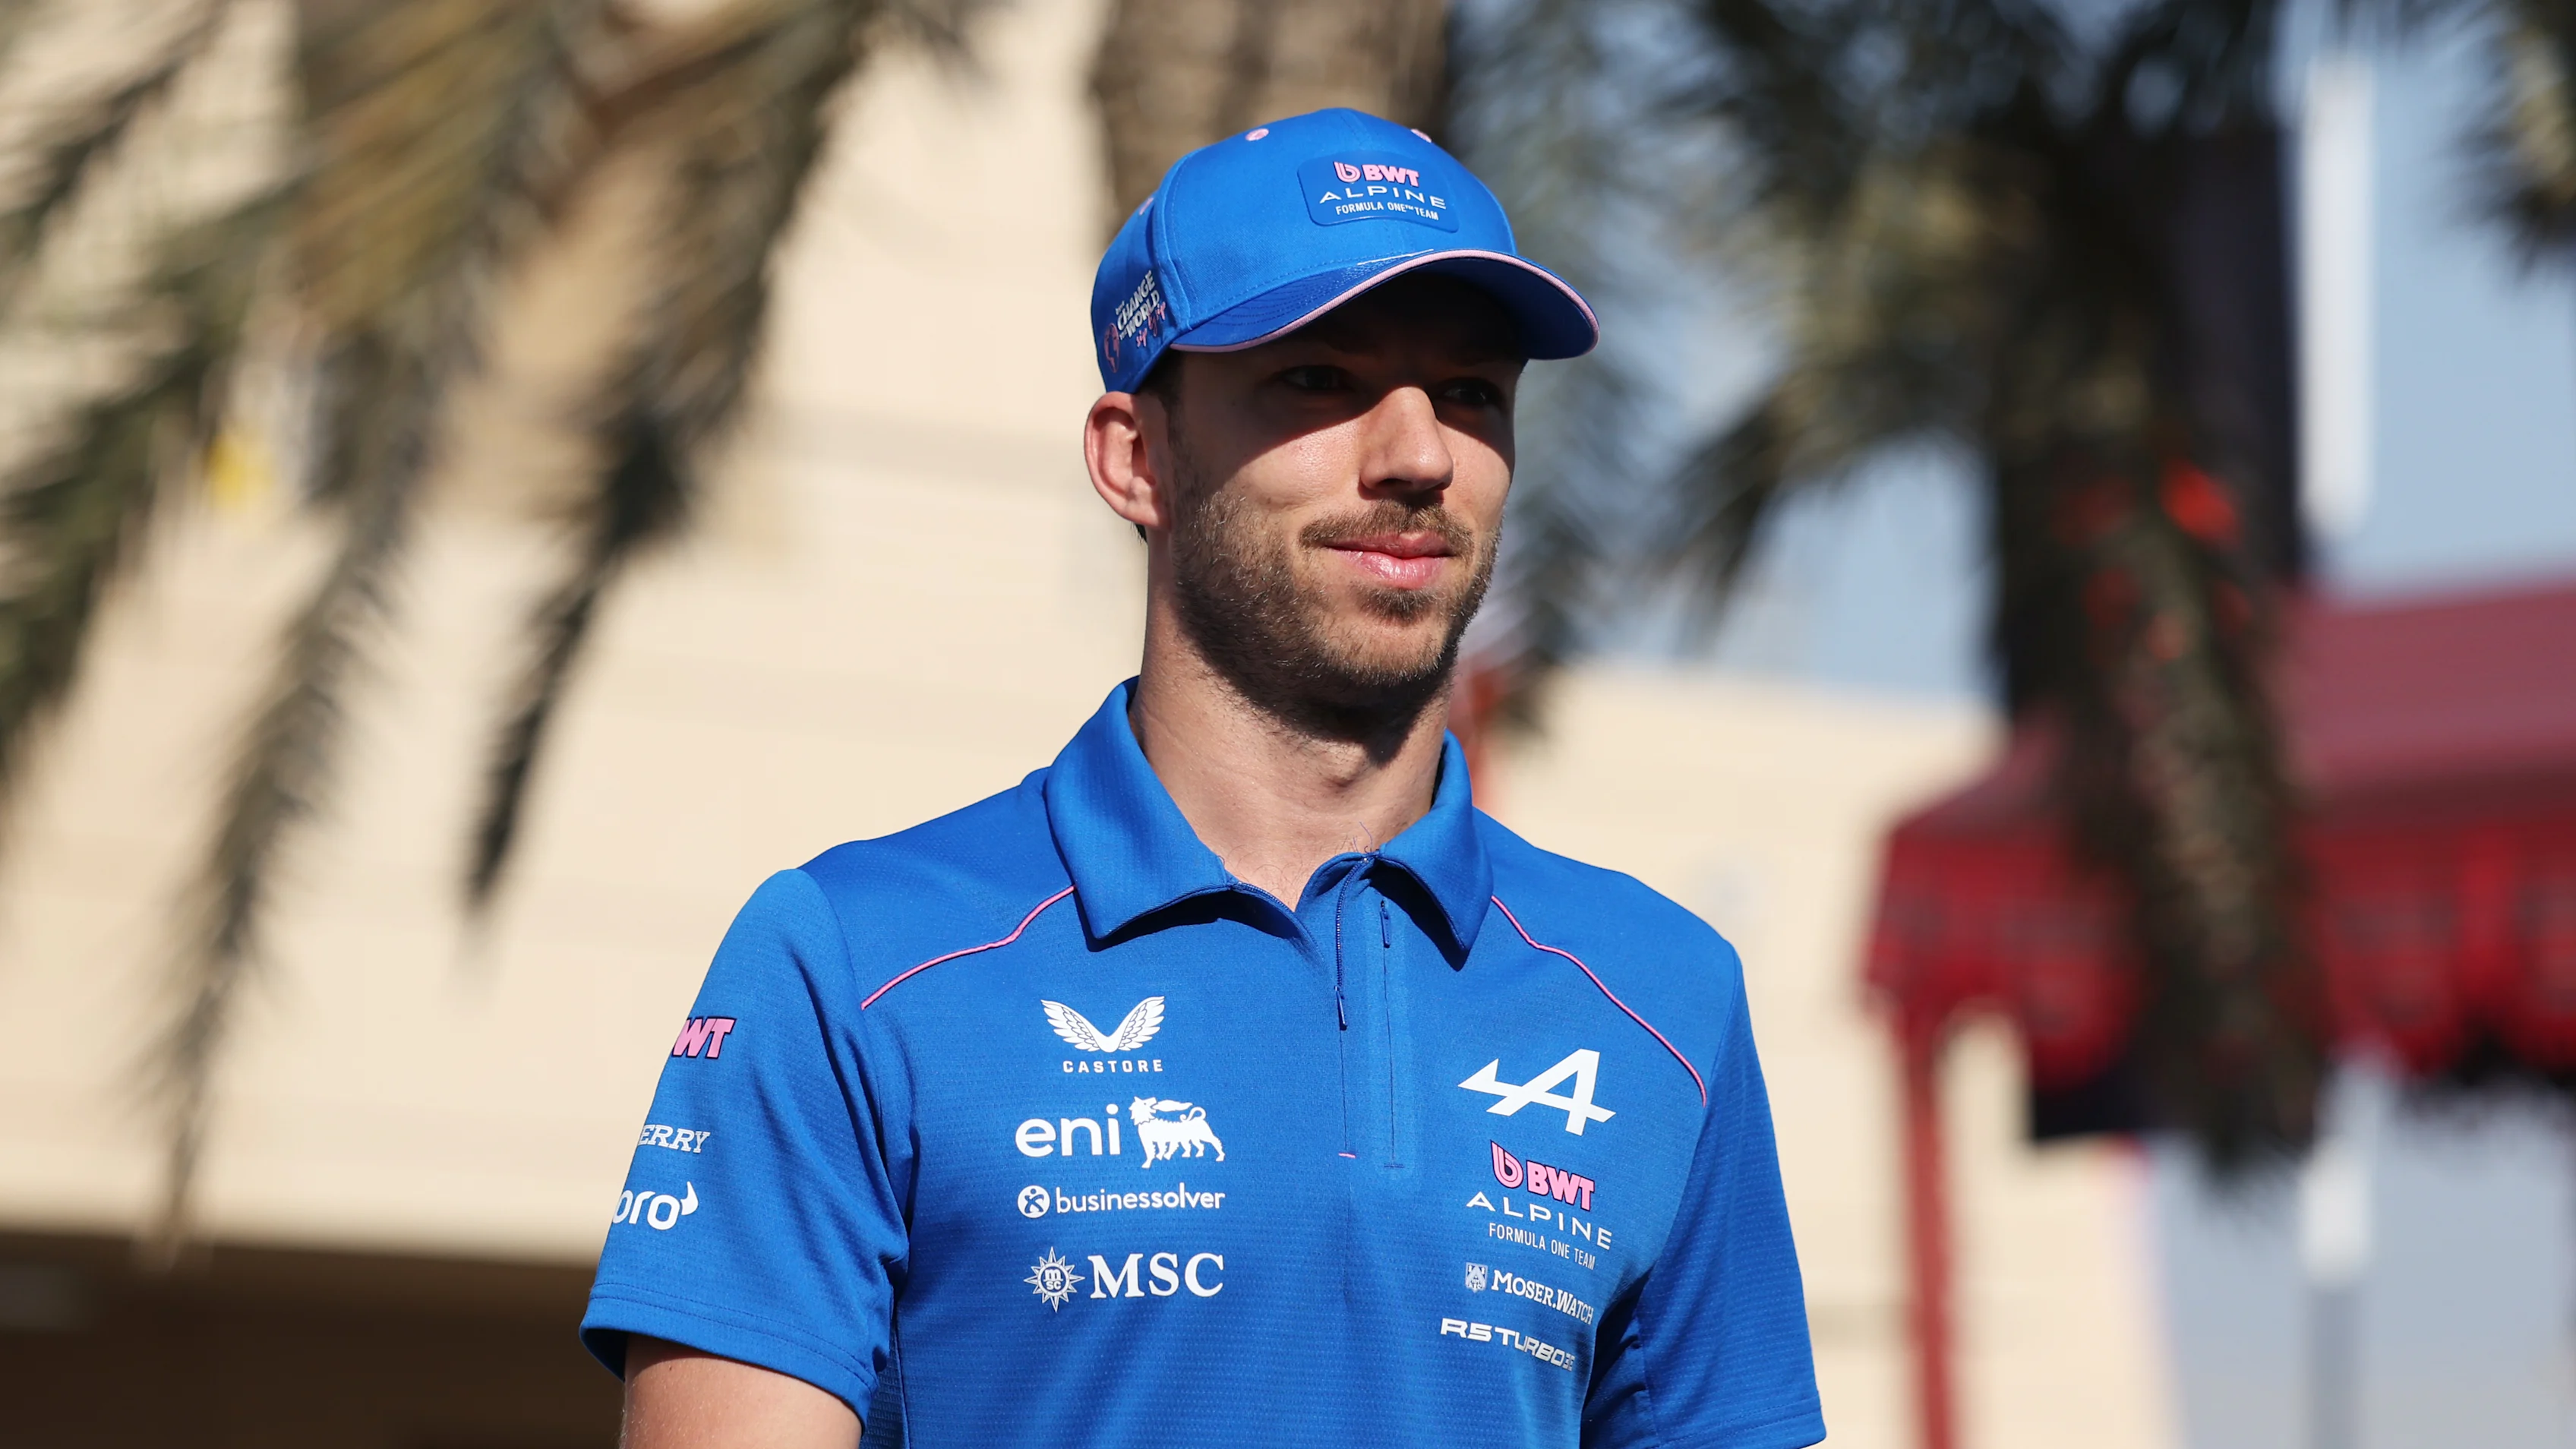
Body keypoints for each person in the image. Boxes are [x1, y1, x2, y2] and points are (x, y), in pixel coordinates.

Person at [581, 107, 1823, 1449]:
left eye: (1471, 393)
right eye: (1317, 379)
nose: (1415, 455)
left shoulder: (1660, 996)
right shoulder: (851, 959)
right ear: (1136, 457)